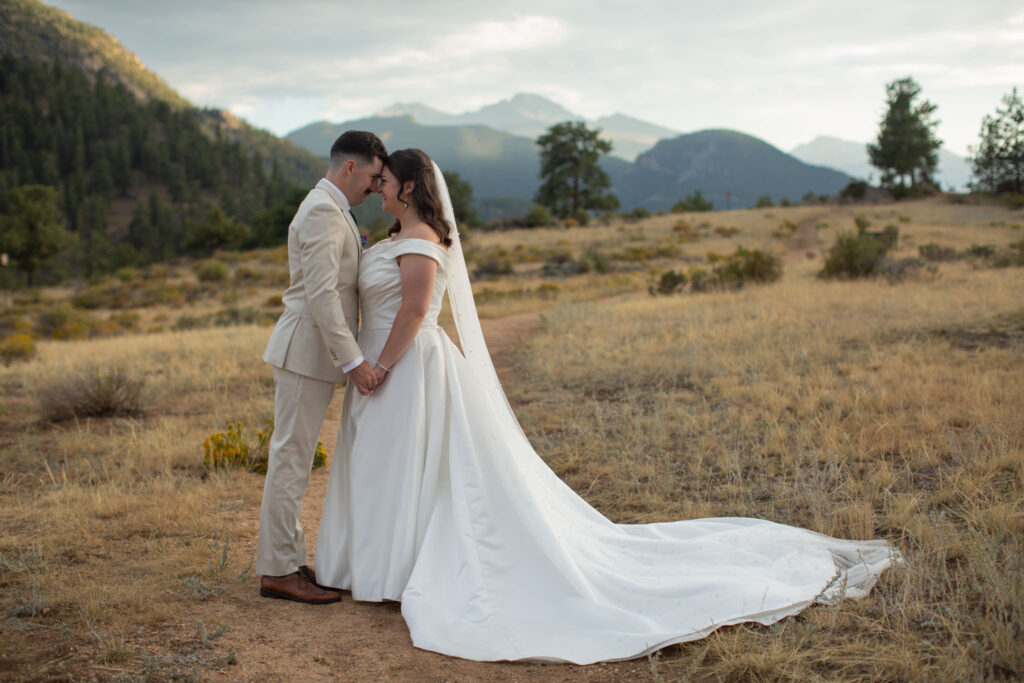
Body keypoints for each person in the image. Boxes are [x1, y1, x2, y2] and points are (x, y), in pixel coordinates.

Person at [314, 149, 900, 663]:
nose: (380, 185)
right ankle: (384, 567)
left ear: (411, 186)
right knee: (392, 470)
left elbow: (416, 312)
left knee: (414, 469)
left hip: (406, 366)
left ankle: (400, 571)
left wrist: (383, 365)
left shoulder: (419, 242)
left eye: (387, 178)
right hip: (381, 365)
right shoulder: (394, 239)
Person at [256, 131, 386, 604]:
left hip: (310, 355)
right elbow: (322, 294)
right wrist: (353, 361)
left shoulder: (334, 210)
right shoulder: (320, 211)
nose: (375, 188)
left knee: (294, 457)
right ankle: (278, 571)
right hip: (304, 353)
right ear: (350, 167)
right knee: (290, 458)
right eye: (373, 177)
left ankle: (286, 560)